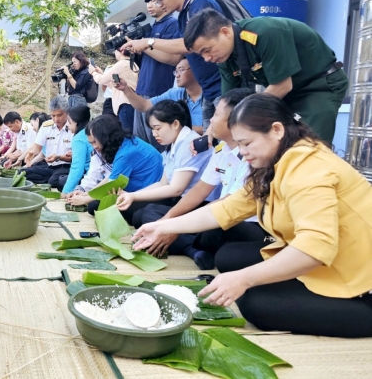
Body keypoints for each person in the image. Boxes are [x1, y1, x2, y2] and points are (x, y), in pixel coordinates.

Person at [133, 94, 372, 338]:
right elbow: (227, 208)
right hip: (327, 262)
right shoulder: (277, 162)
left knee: (254, 302)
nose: (242, 152)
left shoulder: (308, 167)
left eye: (247, 143)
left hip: (359, 282)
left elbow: (315, 247)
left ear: (276, 130)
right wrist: (164, 227)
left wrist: (244, 280)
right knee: (231, 262)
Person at [134, 88, 260, 270]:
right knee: (151, 216)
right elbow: (200, 190)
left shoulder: (253, 156)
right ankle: (194, 248)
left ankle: (192, 246)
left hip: (244, 222)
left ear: (237, 120)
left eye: (216, 115)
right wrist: (166, 223)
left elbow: (230, 204)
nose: (210, 121)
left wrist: (173, 227)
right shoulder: (221, 150)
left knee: (217, 237)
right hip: (219, 212)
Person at [183, 9, 349, 144]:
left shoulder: (266, 33)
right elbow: (227, 101)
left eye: (207, 50)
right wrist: (212, 128)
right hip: (286, 94)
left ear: (225, 32)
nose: (207, 59)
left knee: (308, 145)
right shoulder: (224, 57)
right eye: (201, 55)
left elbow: (282, 85)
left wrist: (244, 116)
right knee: (273, 142)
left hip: (318, 86)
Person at [124, 0, 226, 130]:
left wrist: (148, 41)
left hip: (222, 86)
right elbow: (174, 57)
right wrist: (145, 46)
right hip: (209, 90)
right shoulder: (183, 17)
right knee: (213, 145)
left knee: (228, 141)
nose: (159, 4)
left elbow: (191, 44)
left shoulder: (199, 4)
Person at [116, 100, 216, 226]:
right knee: (129, 210)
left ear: (175, 124)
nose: (154, 134)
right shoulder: (173, 144)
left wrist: (134, 196)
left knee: (143, 215)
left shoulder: (189, 144)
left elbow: (176, 189)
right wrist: (132, 195)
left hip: (198, 203)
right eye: (152, 129)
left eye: (157, 128)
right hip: (180, 199)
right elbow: (163, 183)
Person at [76, 115, 163, 215]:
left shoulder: (125, 154)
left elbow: (111, 185)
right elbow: (112, 177)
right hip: (140, 190)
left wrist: (84, 199)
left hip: (147, 194)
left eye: (95, 142)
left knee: (94, 206)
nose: (94, 147)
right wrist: (87, 193)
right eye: (91, 143)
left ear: (106, 136)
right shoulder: (126, 142)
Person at [131, 0, 182, 149]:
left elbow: (172, 58)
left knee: (158, 144)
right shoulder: (152, 27)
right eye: (148, 1)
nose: (150, 5)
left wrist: (144, 45)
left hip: (159, 92)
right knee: (141, 144)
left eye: (154, 0)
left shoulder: (172, 24)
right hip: (142, 90)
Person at [115, 58, 203, 135]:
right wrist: (125, 89)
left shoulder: (211, 95)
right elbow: (145, 105)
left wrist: (180, 128)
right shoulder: (175, 93)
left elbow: (214, 129)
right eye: (176, 71)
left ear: (195, 70)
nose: (177, 75)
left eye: (181, 70)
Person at [23, 96, 73, 188]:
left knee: (54, 181)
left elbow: (75, 156)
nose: (56, 119)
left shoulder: (73, 127)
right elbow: (38, 146)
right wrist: (31, 154)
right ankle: (53, 179)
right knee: (23, 173)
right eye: (53, 116)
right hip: (49, 166)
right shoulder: (46, 126)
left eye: (59, 115)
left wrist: (58, 157)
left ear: (67, 113)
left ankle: (54, 179)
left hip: (66, 166)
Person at [89, 49, 135, 132]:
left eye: (116, 51)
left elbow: (101, 80)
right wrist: (101, 74)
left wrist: (92, 72)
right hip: (130, 104)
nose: (114, 53)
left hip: (124, 105)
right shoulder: (131, 63)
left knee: (127, 135)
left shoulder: (122, 63)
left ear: (122, 51)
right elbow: (115, 86)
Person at [59, 105, 93, 196]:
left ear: (77, 123)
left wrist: (65, 192)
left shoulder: (79, 138)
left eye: (69, 122)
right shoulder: (90, 131)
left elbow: (77, 168)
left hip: (90, 175)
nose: (67, 125)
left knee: (61, 181)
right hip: (98, 172)